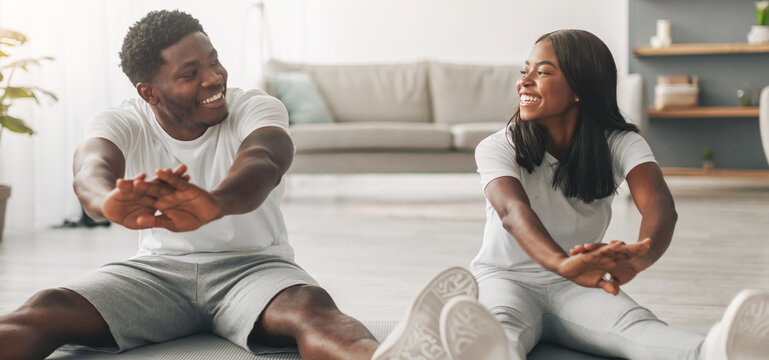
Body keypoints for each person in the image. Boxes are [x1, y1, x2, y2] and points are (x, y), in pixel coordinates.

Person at [0, 10, 492, 360]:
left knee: (314, 312)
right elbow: (89, 167)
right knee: (47, 309)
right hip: (157, 274)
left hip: (254, 269)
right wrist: (108, 201)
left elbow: (264, 161)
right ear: (148, 92)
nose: (215, 76)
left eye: (213, 59)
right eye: (191, 73)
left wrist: (214, 203)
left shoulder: (254, 105)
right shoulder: (122, 120)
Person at [465, 29, 769, 359]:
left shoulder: (621, 143)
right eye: (525, 71)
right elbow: (513, 212)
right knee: (499, 334)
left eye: (542, 72)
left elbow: (659, 204)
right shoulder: (497, 147)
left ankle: (716, 351)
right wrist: (562, 263)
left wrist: (644, 254)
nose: (524, 81)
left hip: (578, 283)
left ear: (580, 88)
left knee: (636, 326)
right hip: (506, 278)